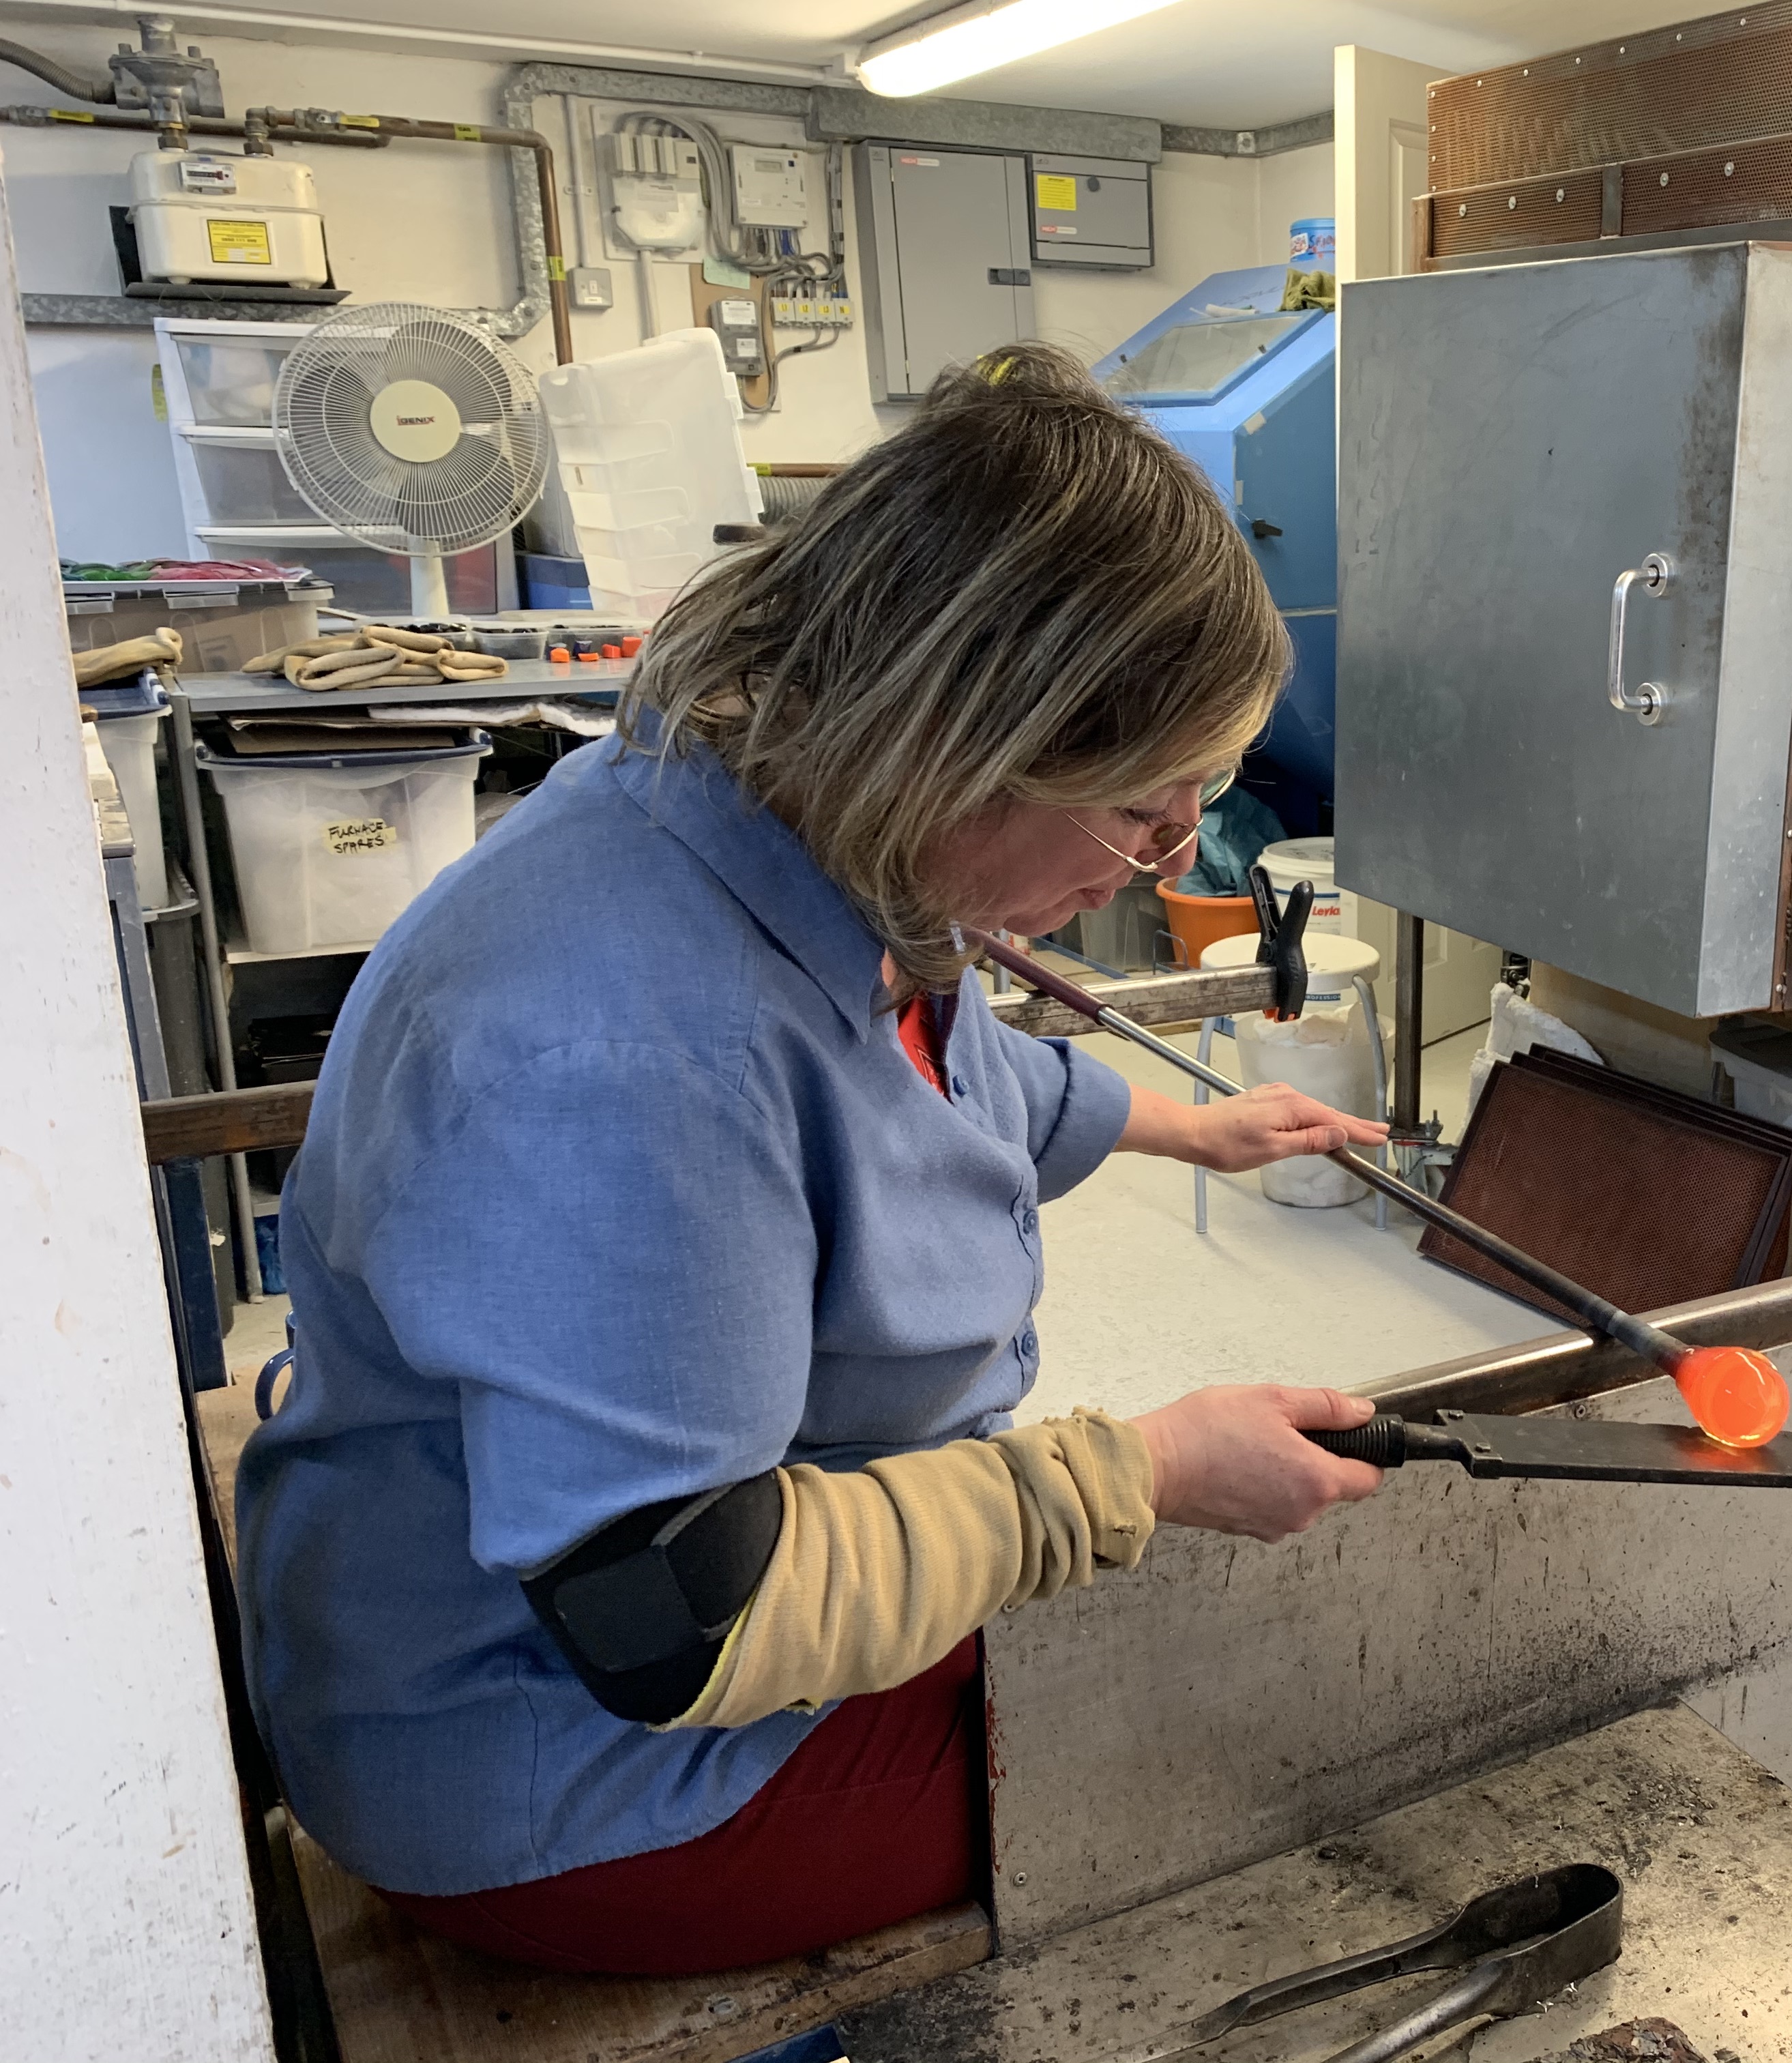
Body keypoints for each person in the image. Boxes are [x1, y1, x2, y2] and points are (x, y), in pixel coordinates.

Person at [235, 344, 1388, 1977]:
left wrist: (1188, 1122)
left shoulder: (801, 830)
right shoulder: (629, 1046)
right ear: (966, 744)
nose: (1183, 856)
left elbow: (937, 1078)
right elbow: (669, 1615)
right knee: (1240, 1737)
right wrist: (1138, 1472)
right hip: (561, 1770)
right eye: (1148, 812)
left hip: (661, 1634)